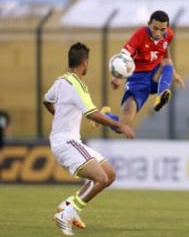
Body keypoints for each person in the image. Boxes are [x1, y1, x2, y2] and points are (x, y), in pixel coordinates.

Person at [43, 42, 135, 235]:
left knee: (109, 174)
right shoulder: (78, 85)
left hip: (68, 140)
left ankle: (67, 206)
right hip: (67, 142)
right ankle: (67, 214)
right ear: (85, 63)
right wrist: (120, 125)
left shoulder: (60, 81)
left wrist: (60, 117)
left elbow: (47, 100)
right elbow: (92, 113)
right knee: (100, 178)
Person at [98, 10, 185, 130]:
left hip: (154, 75)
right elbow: (125, 55)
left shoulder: (169, 35)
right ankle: (104, 115)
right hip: (137, 80)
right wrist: (117, 76)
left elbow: (165, 57)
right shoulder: (140, 35)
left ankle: (161, 95)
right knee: (123, 126)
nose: (158, 33)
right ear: (149, 24)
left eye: (162, 29)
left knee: (168, 64)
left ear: (167, 28)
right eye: (155, 28)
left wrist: (173, 73)